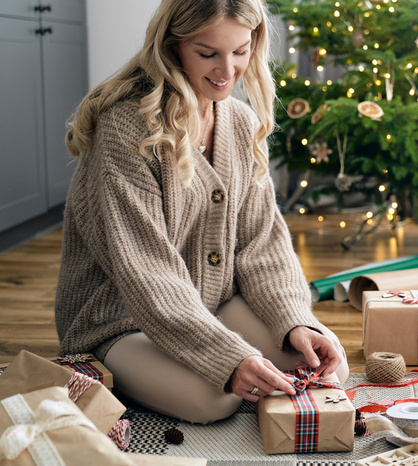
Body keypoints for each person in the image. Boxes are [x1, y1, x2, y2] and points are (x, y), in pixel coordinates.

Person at [55, 0, 348, 424]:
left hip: (212, 303)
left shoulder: (243, 123)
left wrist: (296, 321)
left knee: (323, 358)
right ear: (172, 47)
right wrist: (227, 356)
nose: (227, 71)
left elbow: (262, 244)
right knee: (218, 398)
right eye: (207, 53)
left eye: (240, 51)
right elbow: (146, 271)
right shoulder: (126, 129)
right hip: (118, 320)